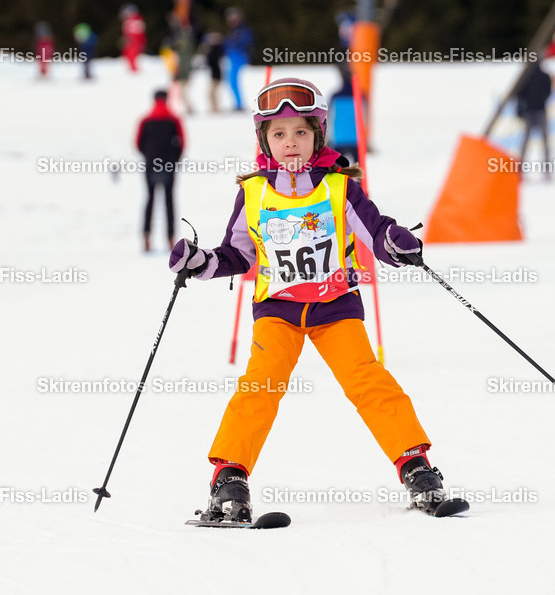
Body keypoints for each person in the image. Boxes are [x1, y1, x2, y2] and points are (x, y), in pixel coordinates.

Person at [168, 78, 453, 522]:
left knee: (368, 381)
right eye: (278, 134)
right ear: (264, 141)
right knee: (260, 386)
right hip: (278, 310)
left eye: (300, 132)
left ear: (318, 133)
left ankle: (416, 467)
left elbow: (375, 233)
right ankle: (229, 481)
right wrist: (199, 261)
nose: (291, 143)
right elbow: (237, 254)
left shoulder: (339, 187)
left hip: (335, 307)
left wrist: (396, 244)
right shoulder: (254, 193)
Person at [137, 90, 185, 252]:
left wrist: (148, 156)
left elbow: (138, 142)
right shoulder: (174, 119)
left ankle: (146, 236)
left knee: (150, 200)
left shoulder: (145, 120)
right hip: (169, 165)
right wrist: (175, 159)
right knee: (169, 201)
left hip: (151, 164)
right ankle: (170, 238)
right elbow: (182, 142)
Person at [514, 59, 554, 181]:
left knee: (528, 143)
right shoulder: (543, 76)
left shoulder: (526, 77)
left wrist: (521, 109)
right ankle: (545, 172)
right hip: (537, 111)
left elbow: (518, 94)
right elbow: (548, 93)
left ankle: (521, 171)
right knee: (542, 143)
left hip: (532, 111)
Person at [223, 7, 253, 110]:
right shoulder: (232, 32)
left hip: (239, 56)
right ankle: (237, 103)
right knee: (231, 81)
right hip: (232, 57)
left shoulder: (243, 30)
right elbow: (226, 44)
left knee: (234, 80)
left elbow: (246, 42)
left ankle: (239, 103)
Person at [327, 72, 360, 164]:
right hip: (355, 138)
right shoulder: (360, 96)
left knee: (337, 168)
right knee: (359, 169)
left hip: (339, 137)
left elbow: (328, 116)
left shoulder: (335, 96)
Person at [201, 32, 225, 113]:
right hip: (215, 74)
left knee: (212, 93)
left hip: (216, 75)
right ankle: (215, 108)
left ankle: (216, 108)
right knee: (212, 93)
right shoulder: (216, 50)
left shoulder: (216, 50)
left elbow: (210, 61)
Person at [120, 4, 146, 73]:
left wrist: (141, 41)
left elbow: (139, 33)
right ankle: (132, 69)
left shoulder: (135, 20)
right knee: (127, 54)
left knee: (132, 54)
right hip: (131, 41)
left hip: (135, 41)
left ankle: (134, 70)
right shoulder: (129, 21)